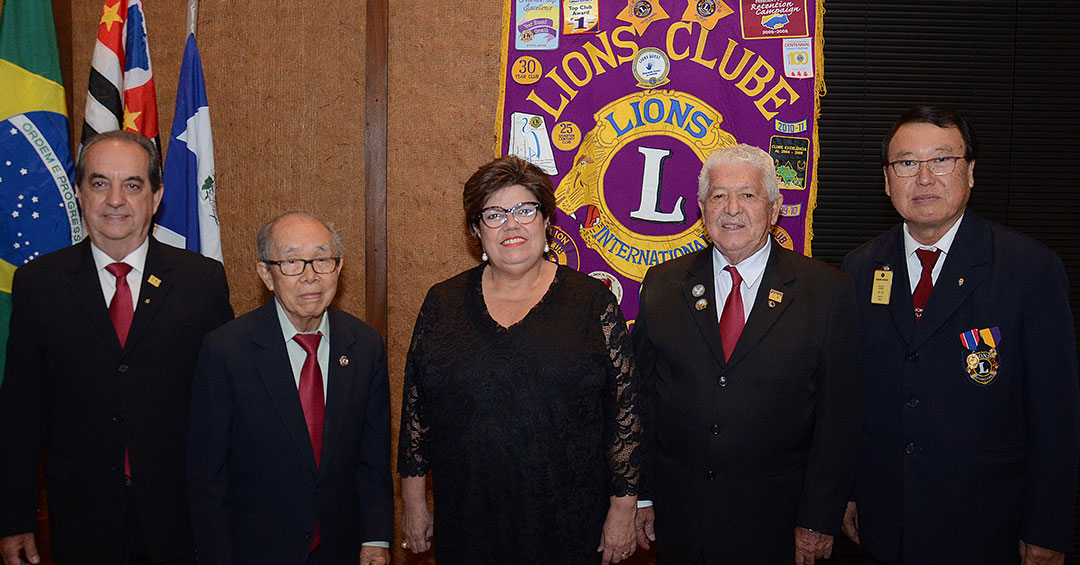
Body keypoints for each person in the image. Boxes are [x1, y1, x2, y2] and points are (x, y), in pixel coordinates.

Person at [841, 106, 1079, 565]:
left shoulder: (1029, 269)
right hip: (885, 522)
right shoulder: (859, 267)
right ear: (888, 180)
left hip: (987, 524)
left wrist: (1047, 528)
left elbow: (1056, 413)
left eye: (942, 160)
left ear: (970, 172)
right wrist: (849, 492)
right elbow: (852, 400)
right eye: (907, 163)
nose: (924, 178)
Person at [0, 130, 233, 565]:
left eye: (132, 185)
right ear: (79, 191)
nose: (114, 200)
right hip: (81, 518)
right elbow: (20, 412)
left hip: (181, 517)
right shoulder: (38, 285)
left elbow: (227, 405)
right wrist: (16, 517)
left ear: (156, 195)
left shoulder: (201, 282)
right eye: (100, 182)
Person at [397, 155, 642, 564]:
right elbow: (416, 410)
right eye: (494, 214)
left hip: (569, 521)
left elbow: (626, 414)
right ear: (476, 230)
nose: (512, 225)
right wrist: (414, 501)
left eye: (525, 210)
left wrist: (623, 509)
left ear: (547, 221)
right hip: (469, 516)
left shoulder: (591, 302)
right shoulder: (443, 302)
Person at [632, 143, 863, 564]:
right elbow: (642, 403)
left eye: (748, 195)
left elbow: (839, 419)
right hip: (680, 520)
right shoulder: (663, 285)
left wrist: (818, 518)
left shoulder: (826, 291)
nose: (732, 208)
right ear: (702, 209)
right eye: (718, 196)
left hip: (777, 524)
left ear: (774, 209)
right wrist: (641, 496)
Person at [186, 212, 393, 565]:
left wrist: (376, 537)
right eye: (293, 261)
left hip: (342, 550)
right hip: (255, 550)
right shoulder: (226, 351)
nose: (310, 275)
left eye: (322, 259)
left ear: (338, 267)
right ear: (266, 274)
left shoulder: (365, 346)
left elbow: (372, 457)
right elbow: (208, 476)